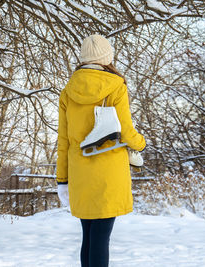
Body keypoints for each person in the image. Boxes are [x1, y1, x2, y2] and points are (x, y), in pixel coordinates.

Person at [56, 35, 146, 267]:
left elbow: (63, 141)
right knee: (101, 237)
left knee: (89, 236)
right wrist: (141, 144)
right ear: (107, 58)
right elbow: (126, 131)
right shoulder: (116, 85)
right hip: (108, 173)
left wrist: (62, 180)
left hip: (80, 173)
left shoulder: (68, 91)